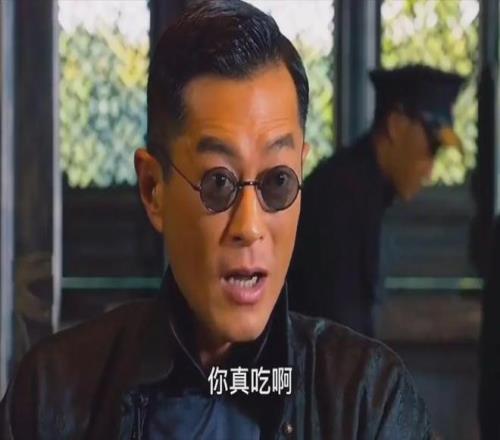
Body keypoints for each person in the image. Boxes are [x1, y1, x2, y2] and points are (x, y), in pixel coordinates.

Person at [1, 1, 431, 438]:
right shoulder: (50, 395)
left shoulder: (369, 401)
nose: (249, 227)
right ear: (153, 189)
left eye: (278, 181)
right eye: (219, 183)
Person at [288, 65, 465, 337]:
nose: (429, 171)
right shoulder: (341, 199)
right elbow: (339, 334)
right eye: (430, 148)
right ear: (396, 125)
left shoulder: (362, 189)